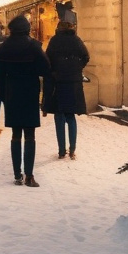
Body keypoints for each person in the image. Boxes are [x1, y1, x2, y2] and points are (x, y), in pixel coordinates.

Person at [0, 14, 51, 187]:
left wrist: (4, 96)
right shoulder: (34, 46)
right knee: (30, 134)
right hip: (29, 93)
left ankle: (17, 175)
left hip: (12, 93)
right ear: (26, 29)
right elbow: (46, 69)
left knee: (15, 135)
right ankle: (29, 176)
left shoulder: (3, 48)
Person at [43, 15, 89, 159]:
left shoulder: (54, 41)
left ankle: (61, 150)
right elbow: (86, 57)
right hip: (74, 83)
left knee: (59, 116)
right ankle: (73, 149)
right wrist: (76, 69)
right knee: (71, 116)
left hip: (58, 82)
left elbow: (47, 59)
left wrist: (55, 71)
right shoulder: (77, 40)